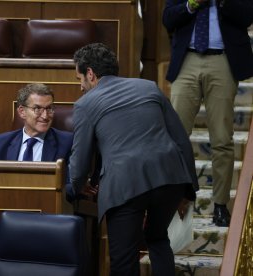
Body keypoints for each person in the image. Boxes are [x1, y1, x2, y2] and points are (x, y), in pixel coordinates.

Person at [69, 43, 198, 276]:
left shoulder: (85, 105)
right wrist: (189, 190)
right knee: (158, 238)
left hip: (124, 184)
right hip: (169, 178)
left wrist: (76, 188)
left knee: (123, 258)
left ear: (90, 73)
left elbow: (79, 162)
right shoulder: (149, 87)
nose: (80, 86)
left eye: (80, 78)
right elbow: (181, 140)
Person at [163, 0, 253, 227]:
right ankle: (175, 202)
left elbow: (247, 15)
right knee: (176, 139)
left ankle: (220, 206)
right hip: (187, 60)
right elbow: (168, 18)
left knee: (222, 138)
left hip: (222, 59)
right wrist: (191, 4)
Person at [0, 83, 76, 199]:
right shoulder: (0, 143)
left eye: (49, 108)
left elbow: (71, 188)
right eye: (37, 109)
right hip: (10, 206)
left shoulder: (67, 142)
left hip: (48, 208)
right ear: (22, 111)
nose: (45, 116)